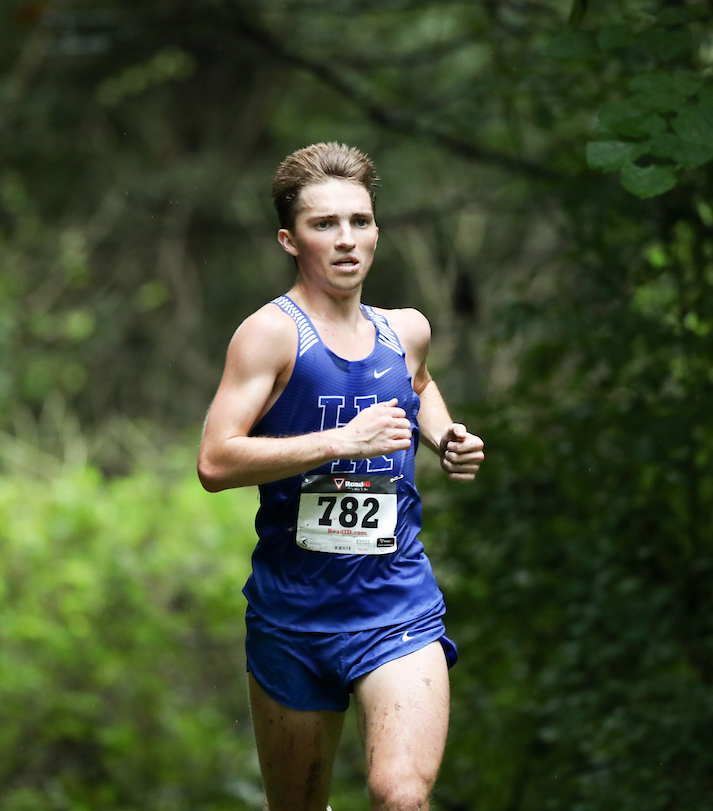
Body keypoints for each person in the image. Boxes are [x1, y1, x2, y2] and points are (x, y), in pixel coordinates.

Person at [197, 142, 485, 811]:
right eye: (324, 224)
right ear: (289, 239)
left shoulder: (405, 330)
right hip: (292, 614)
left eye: (360, 221)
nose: (347, 239)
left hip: (396, 604)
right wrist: (338, 442)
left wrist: (443, 436)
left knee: (401, 795)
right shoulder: (270, 335)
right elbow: (215, 461)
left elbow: (417, 381)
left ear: (378, 229)